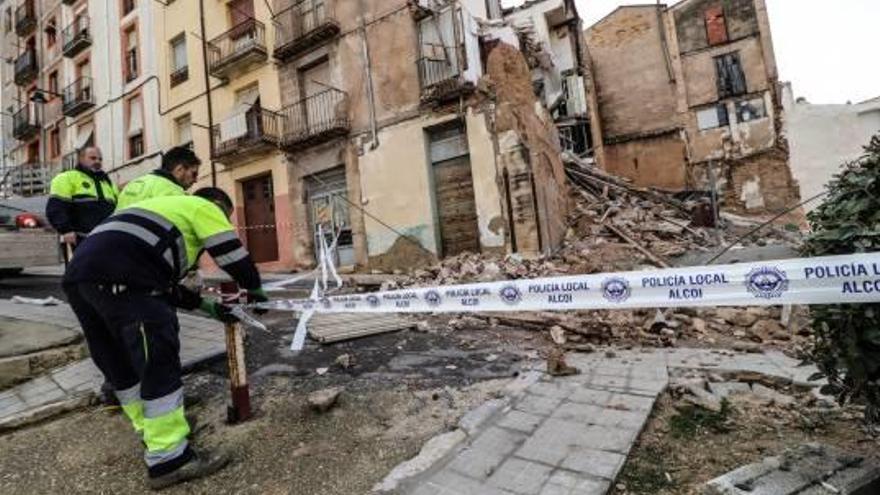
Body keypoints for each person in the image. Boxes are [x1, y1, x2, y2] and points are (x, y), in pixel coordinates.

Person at [62, 188, 268, 490]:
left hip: (80, 280)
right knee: (158, 359)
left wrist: (208, 308)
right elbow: (232, 254)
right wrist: (256, 290)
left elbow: (162, 285)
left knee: (119, 363)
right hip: (124, 279)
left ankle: (153, 434)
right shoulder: (202, 206)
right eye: (224, 218)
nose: (222, 223)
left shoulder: (155, 211)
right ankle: (170, 459)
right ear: (217, 207)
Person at [46, 146, 119, 248]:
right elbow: (56, 207)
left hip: (106, 240)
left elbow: (117, 210)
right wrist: (66, 230)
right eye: (93, 158)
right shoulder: (67, 178)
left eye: (100, 159)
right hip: (78, 240)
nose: (97, 161)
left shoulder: (108, 183)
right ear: (81, 159)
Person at [117, 146, 201, 210]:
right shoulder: (173, 192)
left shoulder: (132, 184)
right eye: (194, 174)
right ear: (179, 169)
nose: (195, 180)